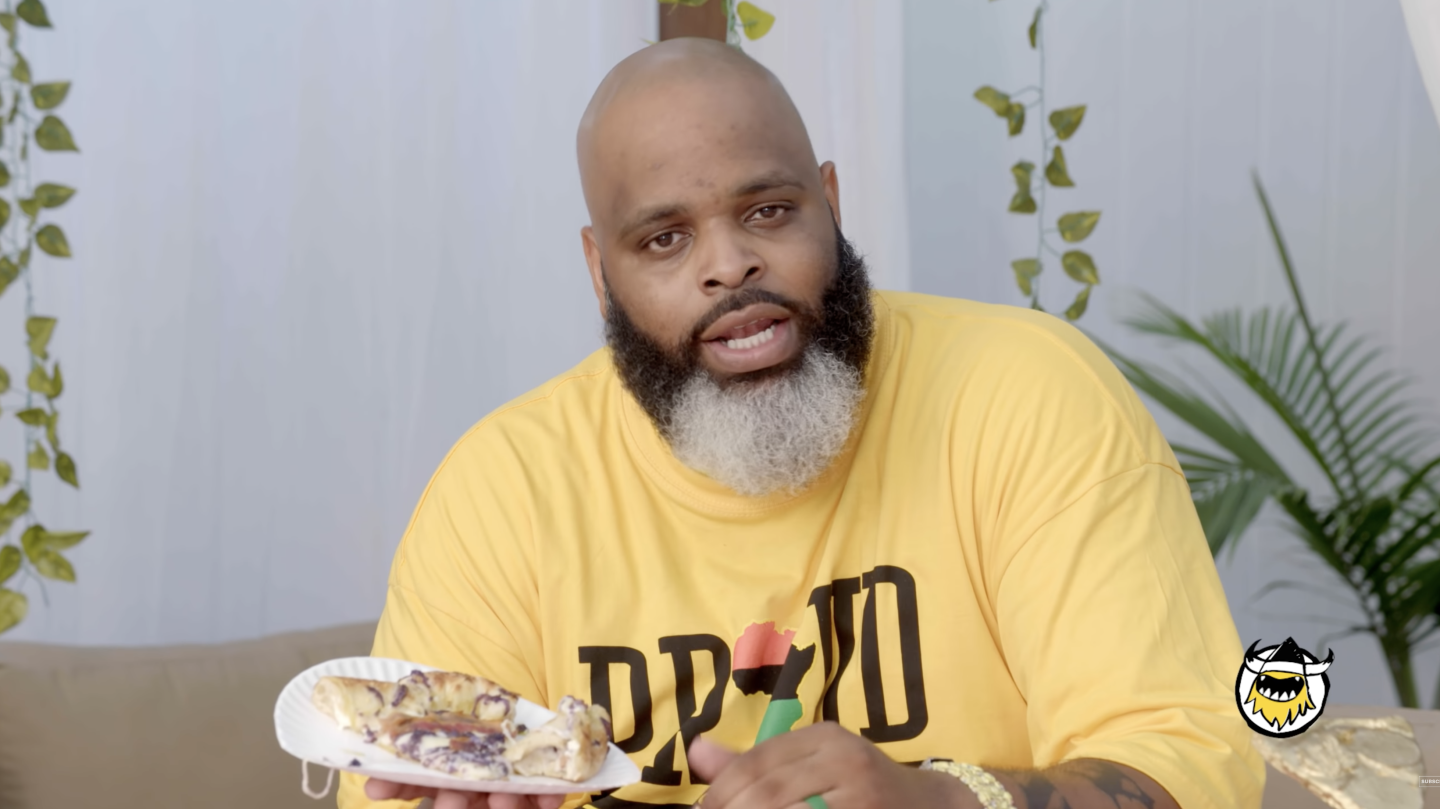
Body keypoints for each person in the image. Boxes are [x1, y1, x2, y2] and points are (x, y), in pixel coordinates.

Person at [340, 37, 1263, 809]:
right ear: (599, 269)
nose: (731, 265)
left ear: (830, 200)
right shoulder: (502, 490)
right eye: (665, 238)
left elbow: (1189, 760)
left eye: (768, 210)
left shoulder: (1026, 396)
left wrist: (944, 800)